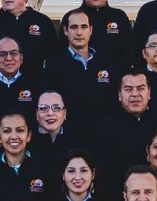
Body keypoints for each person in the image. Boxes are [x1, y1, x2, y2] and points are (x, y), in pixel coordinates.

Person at [44, 9, 118, 140]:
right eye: (74, 27)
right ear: (66, 31)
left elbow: (113, 105)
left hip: (102, 139)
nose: (79, 32)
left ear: (91, 30)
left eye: (84, 27)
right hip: (67, 140)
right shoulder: (53, 67)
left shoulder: (107, 66)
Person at [92, 70, 157, 195]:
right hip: (117, 195)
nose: (135, 94)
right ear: (119, 95)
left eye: (140, 88)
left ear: (149, 93)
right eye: (128, 89)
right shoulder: (105, 127)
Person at [58, 0, 135, 67]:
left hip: (113, 79)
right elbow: (61, 53)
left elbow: (128, 54)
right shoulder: (71, 18)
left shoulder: (119, 17)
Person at [0, 37, 40, 138]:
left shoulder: (35, 86)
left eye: (14, 53)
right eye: (3, 54)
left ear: (21, 58)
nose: (9, 58)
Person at [29, 90, 78, 174]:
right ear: (37, 114)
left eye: (56, 108)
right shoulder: (26, 141)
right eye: (44, 108)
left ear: (64, 113)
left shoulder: (77, 142)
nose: (50, 113)